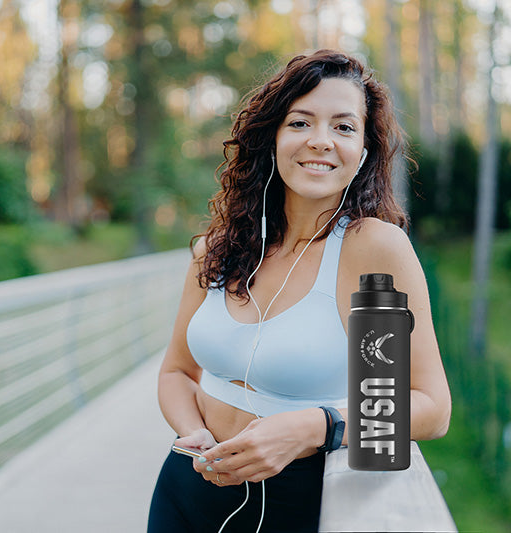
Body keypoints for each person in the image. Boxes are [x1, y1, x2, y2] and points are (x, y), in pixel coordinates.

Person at [147, 49, 451, 533]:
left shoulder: (370, 249)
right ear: (273, 138)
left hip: (298, 503)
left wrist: (316, 427)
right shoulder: (220, 248)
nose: (321, 141)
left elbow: (430, 408)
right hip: (187, 488)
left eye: (344, 127)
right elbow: (177, 373)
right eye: (301, 122)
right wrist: (195, 435)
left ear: (363, 153)